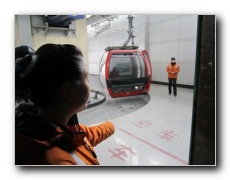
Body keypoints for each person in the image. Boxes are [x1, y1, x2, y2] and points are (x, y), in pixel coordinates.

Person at [15, 44, 115, 165]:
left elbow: (86, 136)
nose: (90, 85)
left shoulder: (52, 130)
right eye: (86, 78)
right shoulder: (57, 161)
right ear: (68, 91)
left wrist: (110, 126)